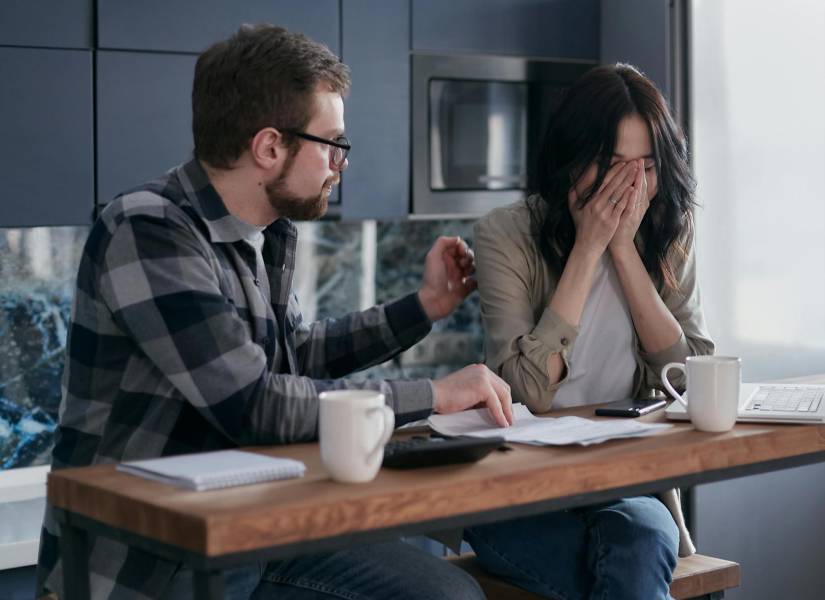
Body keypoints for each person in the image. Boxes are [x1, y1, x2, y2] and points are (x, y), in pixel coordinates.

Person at [35, 24, 514, 600]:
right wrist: (435, 395)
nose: (341, 163)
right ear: (269, 147)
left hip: (254, 529)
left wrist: (424, 308)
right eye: (332, 142)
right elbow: (255, 403)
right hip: (155, 563)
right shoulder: (148, 228)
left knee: (447, 592)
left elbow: (293, 354)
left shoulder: (264, 233)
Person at [468, 63, 715, 599]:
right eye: (611, 165)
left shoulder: (670, 230)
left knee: (644, 538)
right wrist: (588, 248)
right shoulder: (504, 234)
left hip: (623, 484)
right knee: (627, 573)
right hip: (517, 486)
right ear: (572, 162)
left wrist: (623, 250)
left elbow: (691, 377)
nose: (631, 185)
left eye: (646, 167)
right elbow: (527, 390)